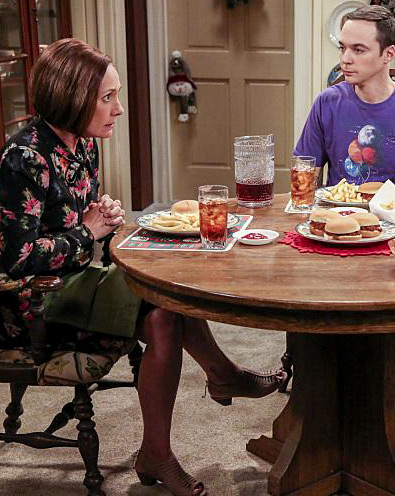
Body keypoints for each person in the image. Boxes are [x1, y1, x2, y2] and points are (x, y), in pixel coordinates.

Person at [0, 38, 283, 496]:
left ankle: (169, 437)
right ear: (74, 99)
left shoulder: (79, 146)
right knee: (163, 308)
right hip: (31, 301)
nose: (119, 108)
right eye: (107, 97)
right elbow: (15, 259)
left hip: (73, 280)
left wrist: (103, 218)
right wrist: (87, 232)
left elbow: (79, 220)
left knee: (169, 290)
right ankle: (206, 394)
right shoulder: (24, 159)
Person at [293, 5, 395, 411]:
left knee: (388, 285)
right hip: (336, 226)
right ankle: (316, 368)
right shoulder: (327, 104)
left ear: (388, 55)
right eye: (343, 48)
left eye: (359, 50)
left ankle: (394, 360)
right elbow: (303, 178)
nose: (345, 59)